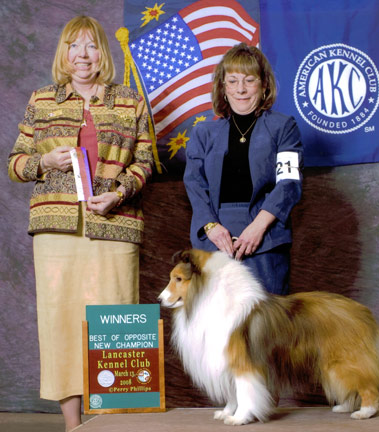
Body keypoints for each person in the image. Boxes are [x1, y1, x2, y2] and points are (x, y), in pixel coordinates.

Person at [7, 16, 153, 431]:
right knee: (61, 323)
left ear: (101, 53)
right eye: (74, 46)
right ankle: (73, 425)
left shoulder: (129, 101)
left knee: (117, 325)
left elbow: (144, 162)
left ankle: (114, 423)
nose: (82, 55)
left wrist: (118, 193)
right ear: (64, 53)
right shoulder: (41, 100)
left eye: (90, 46)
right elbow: (15, 163)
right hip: (56, 232)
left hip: (115, 225)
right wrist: (44, 161)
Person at [184, 43, 303, 295]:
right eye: (233, 81)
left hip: (266, 239)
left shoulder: (284, 127)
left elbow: (288, 183)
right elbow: (194, 184)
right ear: (223, 87)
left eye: (249, 80)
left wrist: (258, 228)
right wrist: (211, 227)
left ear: (264, 85)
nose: (241, 89)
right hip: (213, 240)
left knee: (267, 318)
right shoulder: (203, 133)